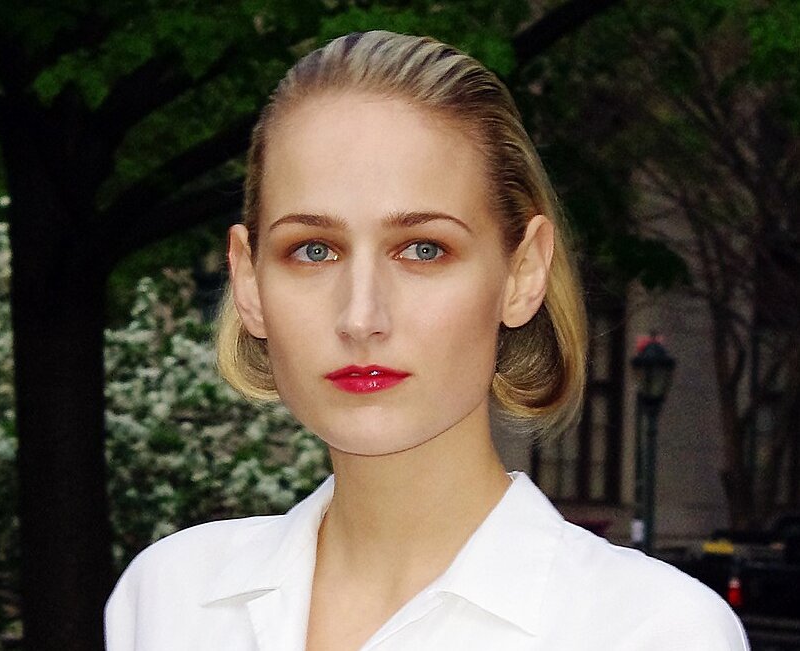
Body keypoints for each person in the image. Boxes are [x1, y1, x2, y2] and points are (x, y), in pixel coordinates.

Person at [105, 30, 749, 650]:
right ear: (248, 282)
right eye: (313, 250)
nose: (361, 316)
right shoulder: (169, 600)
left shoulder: (651, 632)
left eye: (423, 249)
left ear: (523, 273)